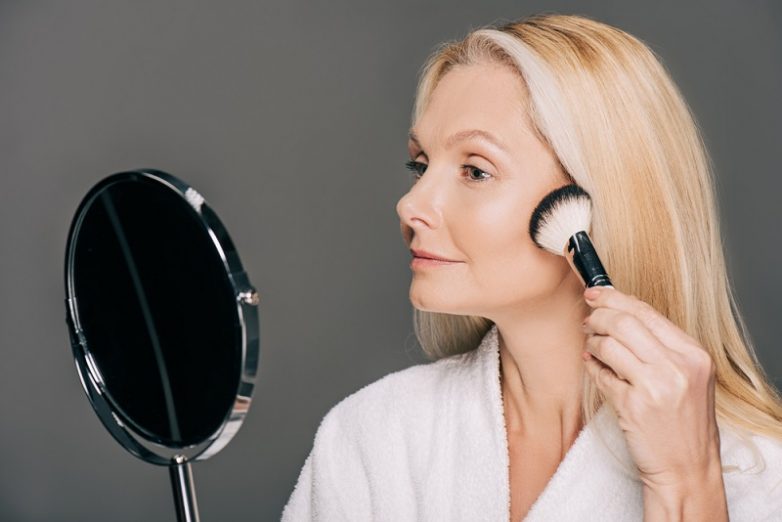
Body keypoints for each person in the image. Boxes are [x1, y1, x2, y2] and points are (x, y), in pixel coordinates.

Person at [281, 12, 782, 521]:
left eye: (475, 170)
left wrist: (686, 483)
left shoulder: (761, 473)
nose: (411, 205)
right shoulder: (374, 435)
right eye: (421, 165)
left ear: (601, 202)